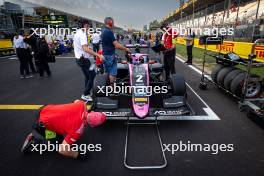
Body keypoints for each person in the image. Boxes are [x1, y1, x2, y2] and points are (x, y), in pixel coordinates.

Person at [21, 100, 106, 160]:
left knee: (59, 133)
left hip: (44, 109)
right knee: (58, 144)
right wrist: (77, 155)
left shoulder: (82, 105)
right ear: (92, 125)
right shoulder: (77, 131)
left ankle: (41, 133)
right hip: (40, 124)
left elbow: (76, 101)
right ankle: (34, 140)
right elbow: (62, 150)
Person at [74, 20, 104, 101]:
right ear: (82, 26)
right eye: (86, 26)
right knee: (93, 75)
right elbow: (84, 48)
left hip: (80, 58)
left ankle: (86, 92)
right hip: (83, 60)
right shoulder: (82, 34)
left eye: (88, 26)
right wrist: (98, 55)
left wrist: (88, 50)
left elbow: (81, 47)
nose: (88, 28)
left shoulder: (77, 33)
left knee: (87, 76)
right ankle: (85, 94)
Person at [101, 17, 130, 84]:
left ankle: (105, 87)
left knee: (107, 71)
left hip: (104, 54)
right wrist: (126, 49)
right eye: (113, 22)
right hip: (110, 55)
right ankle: (112, 89)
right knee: (112, 73)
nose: (113, 24)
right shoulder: (109, 31)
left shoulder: (103, 31)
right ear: (110, 22)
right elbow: (117, 45)